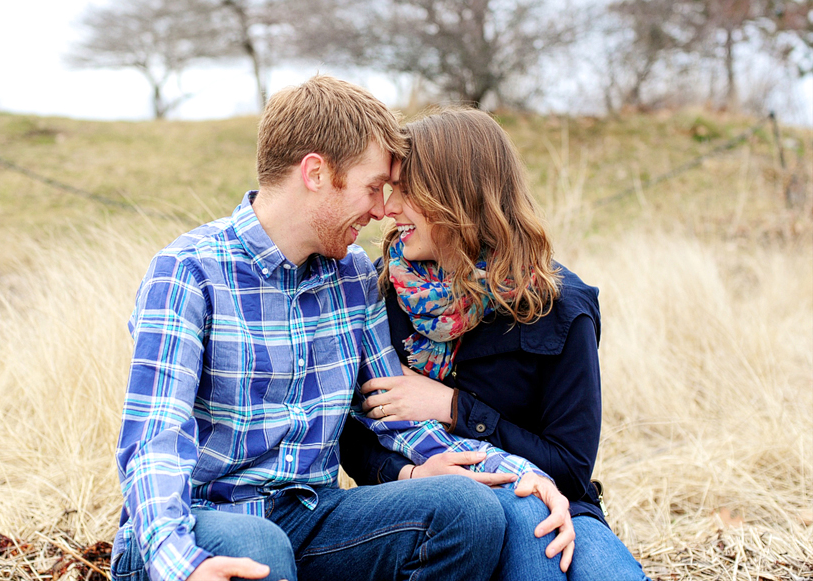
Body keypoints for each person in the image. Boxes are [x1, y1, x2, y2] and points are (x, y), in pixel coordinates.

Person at [111, 76, 576, 581]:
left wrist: (525, 474)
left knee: (465, 510)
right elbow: (153, 442)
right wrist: (180, 564)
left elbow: (394, 417)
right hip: (199, 526)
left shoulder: (352, 274)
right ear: (316, 173)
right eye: (373, 187)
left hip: (312, 519)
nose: (382, 211)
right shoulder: (187, 272)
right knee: (258, 546)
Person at [339, 108, 651, 580]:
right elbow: (355, 439)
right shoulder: (381, 296)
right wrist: (411, 475)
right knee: (521, 519)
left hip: (558, 503)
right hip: (433, 513)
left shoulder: (560, 307)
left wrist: (453, 407)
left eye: (405, 193)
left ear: (455, 199)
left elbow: (569, 466)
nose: (388, 210)